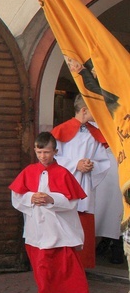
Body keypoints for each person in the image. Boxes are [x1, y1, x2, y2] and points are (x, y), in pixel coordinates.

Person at [9, 132, 90, 293]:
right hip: (35, 227)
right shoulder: (29, 171)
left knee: (54, 265)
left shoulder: (63, 173)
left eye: (46, 152)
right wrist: (31, 197)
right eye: (39, 152)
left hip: (57, 228)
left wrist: (50, 198)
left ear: (55, 151)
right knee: (40, 264)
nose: (43, 156)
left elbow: (72, 202)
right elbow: (17, 197)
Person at [51, 94, 111, 269]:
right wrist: (75, 164)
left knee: (83, 230)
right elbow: (51, 160)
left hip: (84, 188)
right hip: (63, 189)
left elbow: (103, 161)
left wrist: (92, 165)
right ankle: (63, 269)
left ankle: (80, 269)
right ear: (84, 110)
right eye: (94, 108)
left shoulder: (95, 134)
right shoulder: (61, 130)